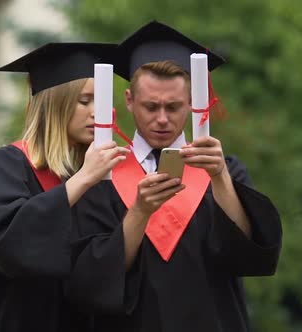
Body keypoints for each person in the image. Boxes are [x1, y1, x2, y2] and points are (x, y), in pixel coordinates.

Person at [66, 21, 283, 331]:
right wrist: (139, 212)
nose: (162, 119)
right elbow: (92, 279)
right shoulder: (102, 176)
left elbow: (249, 257)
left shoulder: (224, 171)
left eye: (174, 106)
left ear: (193, 103)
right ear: (129, 101)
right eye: (151, 106)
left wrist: (219, 178)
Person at [0, 42, 130, 332]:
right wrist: (82, 181)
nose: (97, 112)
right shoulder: (10, 165)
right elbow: (9, 244)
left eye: (101, 101)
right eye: (84, 101)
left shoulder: (103, 178)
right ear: (56, 104)